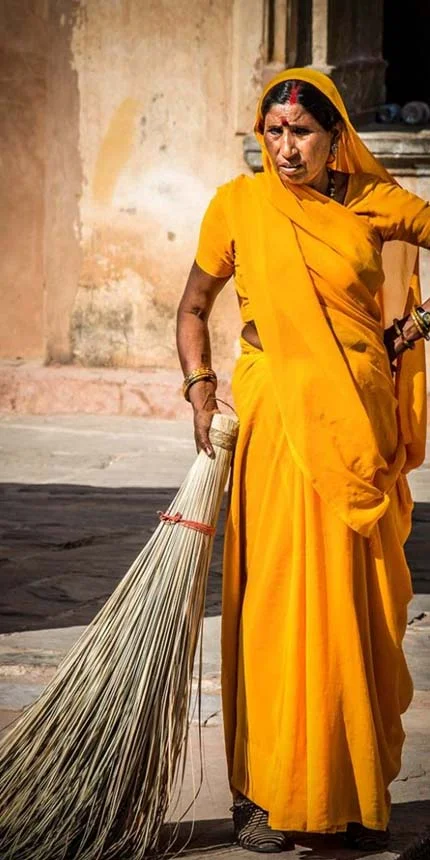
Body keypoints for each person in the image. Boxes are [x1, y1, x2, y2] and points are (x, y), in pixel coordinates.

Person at [176, 68, 430, 853]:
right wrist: (199, 386)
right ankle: (259, 792)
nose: (286, 149)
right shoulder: (239, 206)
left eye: (303, 132)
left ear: (334, 136)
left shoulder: (376, 203)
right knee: (271, 602)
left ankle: (346, 792)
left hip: (356, 427)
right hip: (274, 421)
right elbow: (193, 306)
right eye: (275, 132)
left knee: (354, 610)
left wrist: (417, 325)